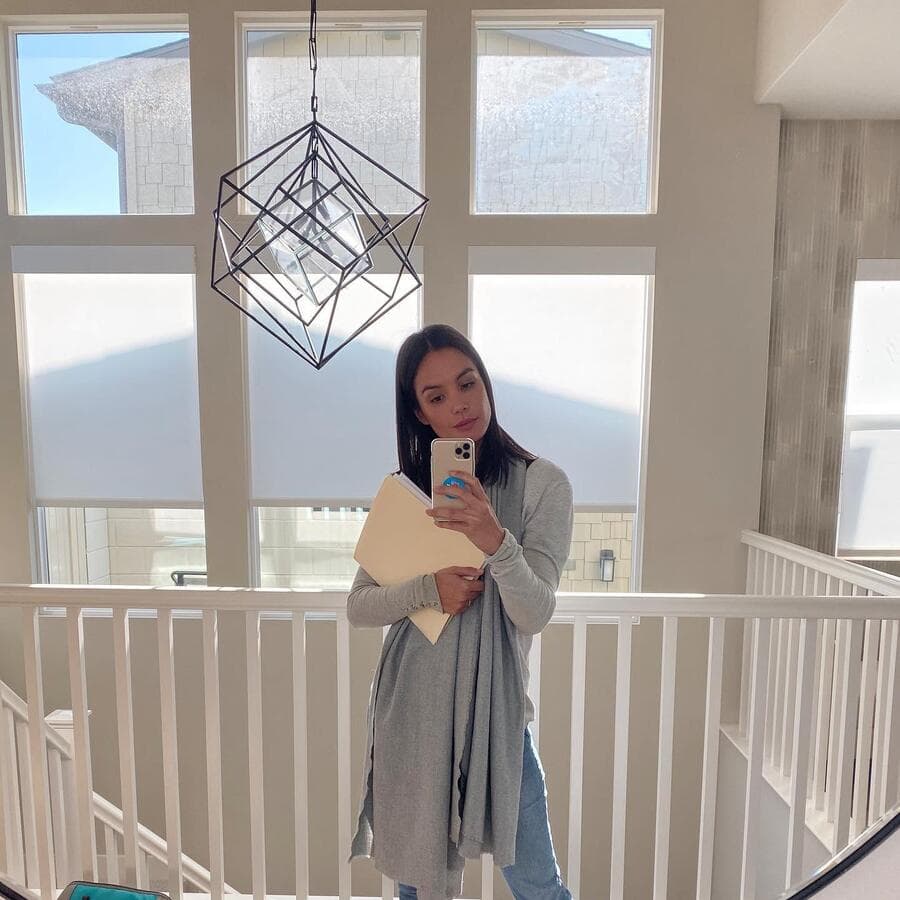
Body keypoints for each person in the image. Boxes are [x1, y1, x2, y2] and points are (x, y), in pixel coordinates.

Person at [347, 324, 574, 900]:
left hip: (497, 720)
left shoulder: (543, 484)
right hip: (414, 715)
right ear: (419, 413)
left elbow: (535, 612)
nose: (459, 404)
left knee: (539, 887)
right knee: (418, 888)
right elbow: (360, 605)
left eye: (467, 383)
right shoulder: (407, 493)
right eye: (437, 396)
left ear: (485, 383)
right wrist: (428, 589)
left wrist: (495, 540)